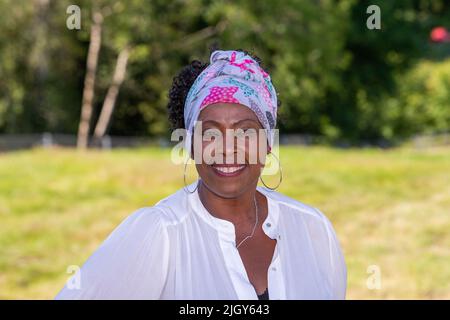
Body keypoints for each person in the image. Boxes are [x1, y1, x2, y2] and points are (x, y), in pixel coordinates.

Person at [55, 49, 346, 300]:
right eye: (209, 132)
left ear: (268, 142)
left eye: (245, 130)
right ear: (190, 144)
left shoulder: (313, 229)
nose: (226, 148)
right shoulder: (159, 233)